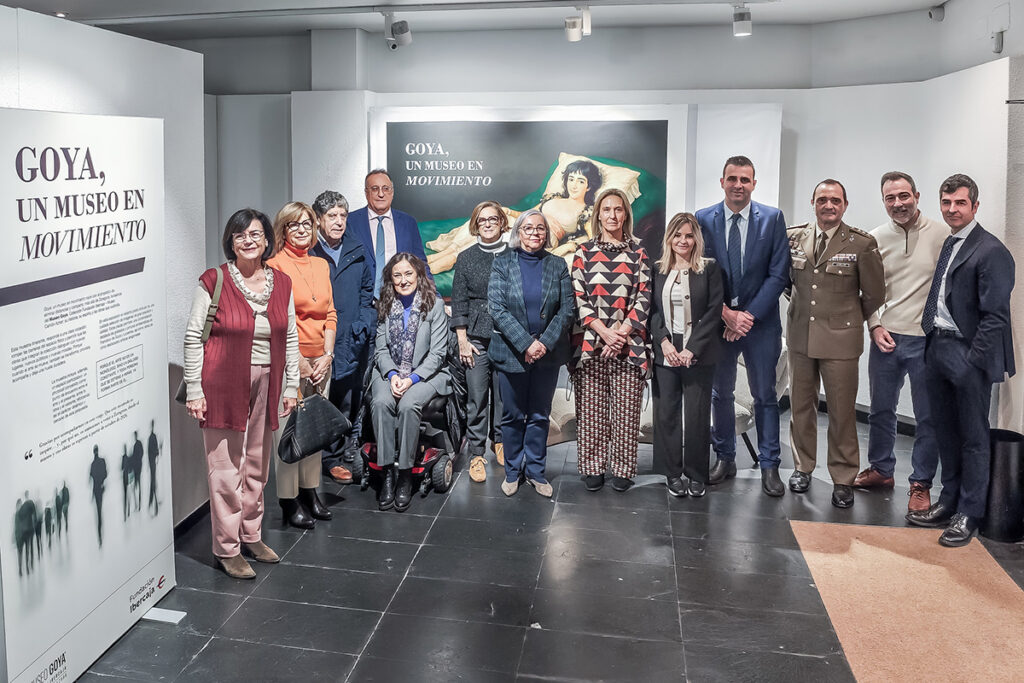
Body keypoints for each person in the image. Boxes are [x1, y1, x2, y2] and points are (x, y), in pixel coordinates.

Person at [184, 208, 299, 579]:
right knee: (224, 468)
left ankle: (251, 534)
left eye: (255, 234)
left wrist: (292, 383)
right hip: (221, 382)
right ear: (230, 242)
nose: (248, 241)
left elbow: (290, 335)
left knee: (256, 464)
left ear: (267, 240)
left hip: (268, 379)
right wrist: (195, 389)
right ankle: (227, 547)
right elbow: (193, 337)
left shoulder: (282, 283)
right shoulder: (213, 280)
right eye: (240, 235)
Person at [906, 174, 1015, 547]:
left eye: (960, 203)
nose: (952, 209)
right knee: (945, 432)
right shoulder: (950, 243)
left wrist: (974, 360)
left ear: (975, 206)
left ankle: (969, 513)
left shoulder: (991, 250)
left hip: (967, 354)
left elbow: (996, 316)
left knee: (972, 436)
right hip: (937, 346)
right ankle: (948, 501)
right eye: (946, 202)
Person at [786, 180, 885, 508]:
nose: (829, 205)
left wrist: (849, 317)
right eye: (822, 199)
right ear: (812, 202)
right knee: (801, 407)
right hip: (800, 335)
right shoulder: (793, 237)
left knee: (842, 412)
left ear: (845, 205)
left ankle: (843, 477)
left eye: (835, 200)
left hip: (841, 341)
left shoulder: (861, 243)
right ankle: (802, 467)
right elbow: (787, 283)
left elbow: (874, 293)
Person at [695, 156, 790, 496]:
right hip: (718, 323)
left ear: (754, 183)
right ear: (722, 182)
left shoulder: (772, 219)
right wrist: (725, 313)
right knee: (721, 393)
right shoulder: (703, 218)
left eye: (745, 180)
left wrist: (746, 317)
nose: (738, 185)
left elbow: (778, 274)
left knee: (765, 395)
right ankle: (725, 458)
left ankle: (769, 465)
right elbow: (698, 271)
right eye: (732, 179)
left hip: (760, 325)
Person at [857, 171, 946, 512]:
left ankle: (921, 484)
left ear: (917, 196)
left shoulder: (942, 234)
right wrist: (874, 326)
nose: (898, 203)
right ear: (884, 201)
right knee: (881, 410)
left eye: (904, 196)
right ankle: (881, 469)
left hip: (926, 340)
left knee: (928, 416)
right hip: (887, 337)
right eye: (890, 198)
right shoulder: (875, 238)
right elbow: (869, 291)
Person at [570, 188, 652, 493]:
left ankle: (622, 468)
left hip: (629, 345)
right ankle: (593, 467)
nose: (613, 215)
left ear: (626, 214)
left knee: (626, 413)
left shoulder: (639, 254)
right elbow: (579, 297)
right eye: (607, 209)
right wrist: (604, 333)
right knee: (591, 411)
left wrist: (622, 333)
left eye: (618, 209)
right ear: (598, 215)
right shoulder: (583, 252)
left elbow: (644, 297)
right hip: (591, 344)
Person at [488, 210, 574, 497]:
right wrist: (526, 344)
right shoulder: (502, 263)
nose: (535, 232)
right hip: (511, 353)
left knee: (539, 415)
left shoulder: (557, 265)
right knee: (512, 415)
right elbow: (496, 308)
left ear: (546, 233)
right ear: (518, 232)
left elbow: (567, 310)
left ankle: (536, 472)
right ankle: (512, 472)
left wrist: (543, 344)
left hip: (547, 356)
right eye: (528, 228)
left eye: (540, 228)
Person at [267, 201, 338, 530]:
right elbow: (276, 321)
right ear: (283, 230)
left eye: (307, 224)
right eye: (293, 224)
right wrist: (298, 362)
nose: (301, 230)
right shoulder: (273, 267)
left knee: (314, 430)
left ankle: (310, 492)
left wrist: (327, 355)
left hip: (321, 360)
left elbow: (330, 314)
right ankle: (288, 499)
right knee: (288, 432)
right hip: (289, 361)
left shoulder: (321, 265)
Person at [369, 254, 451, 512]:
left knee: (408, 405)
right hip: (390, 372)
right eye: (397, 275)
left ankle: (405, 475)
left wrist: (412, 379)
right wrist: (393, 375)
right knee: (381, 402)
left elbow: (438, 354)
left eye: (408, 274)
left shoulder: (434, 305)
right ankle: (387, 474)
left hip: (426, 374)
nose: (403, 280)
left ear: (418, 276)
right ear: (390, 279)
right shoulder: (384, 305)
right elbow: (380, 350)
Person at [650, 213, 724, 498]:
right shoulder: (657, 269)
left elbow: (714, 310)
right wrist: (664, 343)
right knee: (666, 413)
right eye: (677, 235)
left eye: (689, 235)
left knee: (697, 414)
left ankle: (696, 474)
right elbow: (652, 311)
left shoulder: (709, 268)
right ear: (669, 238)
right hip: (667, 349)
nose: (683, 240)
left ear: (697, 239)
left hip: (699, 350)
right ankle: (672, 473)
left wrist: (692, 348)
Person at [427, 160, 603, 273]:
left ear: (589, 186)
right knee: (487, 216)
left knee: (502, 237)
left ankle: (453, 259)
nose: (574, 185)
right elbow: (527, 214)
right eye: (571, 179)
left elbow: (593, 239)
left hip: (541, 236)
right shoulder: (553, 197)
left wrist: (570, 246)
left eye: (580, 181)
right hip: (523, 223)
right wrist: (509, 212)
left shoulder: (586, 211)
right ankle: (449, 251)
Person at [310, 191, 375, 485]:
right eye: (332, 216)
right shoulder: (310, 252)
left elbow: (367, 290)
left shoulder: (357, 248)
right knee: (323, 398)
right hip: (319, 337)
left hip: (352, 333)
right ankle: (327, 458)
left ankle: (346, 450)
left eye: (343, 215)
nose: (339, 222)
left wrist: (364, 322)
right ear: (319, 219)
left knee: (349, 397)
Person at [451, 200, 509, 483]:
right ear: (475, 224)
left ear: (501, 223)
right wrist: (462, 340)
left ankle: (500, 441)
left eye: (492, 219)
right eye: (482, 220)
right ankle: (476, 453)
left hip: (508, 337)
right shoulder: (465, 257)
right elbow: (459, 301)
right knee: (476, 398)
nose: (487, 224)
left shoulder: (514, 254)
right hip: (475, 339)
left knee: (503, 396)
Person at [348, 169, 431, 299]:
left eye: (386, 188)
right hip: (361, 301)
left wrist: (433, 295)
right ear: (366, 192)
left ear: (392, 192)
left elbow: (420, 263)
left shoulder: (408, 222)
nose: (381, 194)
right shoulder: (350, 222)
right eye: (375, 189)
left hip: (400, 300)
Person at [89, 445, 107, 547]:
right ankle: (100, 534)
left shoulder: (92, 465)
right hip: (100, 489)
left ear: (93, 452)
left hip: (96, 490)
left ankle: (100, 536)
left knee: (99, 512)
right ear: (98, 451)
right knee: (100, 511)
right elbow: (105, 474)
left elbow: (91, 479)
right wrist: (102, 481)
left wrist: (92, 494)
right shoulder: (102, 461)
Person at [147, 420, 160, 514]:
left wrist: (157, 454)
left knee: (153, 479)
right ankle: (152, 500)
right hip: (152, 461)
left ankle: (152, 500)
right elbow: (150, 451)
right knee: (153, 479)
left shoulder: (152, 437)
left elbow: (152, 450)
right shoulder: (152, 437)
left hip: (152, 461)